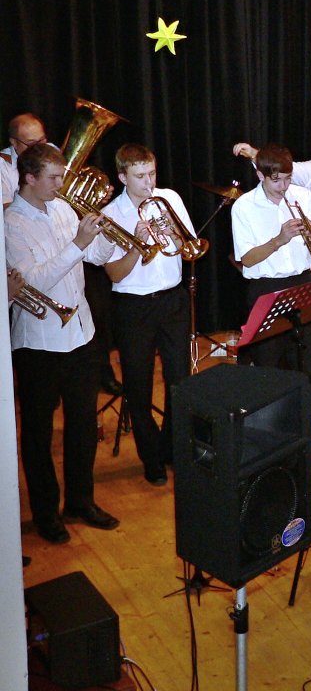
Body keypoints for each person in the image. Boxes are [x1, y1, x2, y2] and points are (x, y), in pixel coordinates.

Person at [5, 143, 119, 543]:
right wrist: (78, 244)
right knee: (38, 432)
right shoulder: (11, 224)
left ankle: (80, 501)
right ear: (29, 178)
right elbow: (33, 281)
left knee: (83, 424)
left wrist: (107, 236)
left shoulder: (63, 208)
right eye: (53, 178)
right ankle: (45, 513)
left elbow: (95, 257)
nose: (60, 185)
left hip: (81, 333)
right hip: (39, 342)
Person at [85, 144, 196, 486]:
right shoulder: (111, 215)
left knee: (180, 381)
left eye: (152, 173)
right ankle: (151, 457)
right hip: (133, 307)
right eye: (140, 176)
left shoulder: (168, 199)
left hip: (173, 301)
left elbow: (189, 248)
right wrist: (136, 244)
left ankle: (172, 448)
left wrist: (173, 233)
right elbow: (114, 274)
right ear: (122, 177)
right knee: (138, 384)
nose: (149, 182)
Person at [230, 143, 311, 464]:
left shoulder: (303, 197)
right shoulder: (244, 207)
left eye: (288, 179)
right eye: (276, 180)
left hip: (303, 283)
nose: (284, 187)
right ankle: (270, 448)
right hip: (266, 289)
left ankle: (306, 441)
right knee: (269, 372)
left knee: (308, 368)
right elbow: (247, 259)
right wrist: (279, 239)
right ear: (260, 175)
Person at [2, 112, 48, 208]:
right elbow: (4, 209)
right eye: (31, 144)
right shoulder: (2, 166)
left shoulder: (49, 151)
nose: (38, 148)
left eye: (42, 140)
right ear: (14, 142)